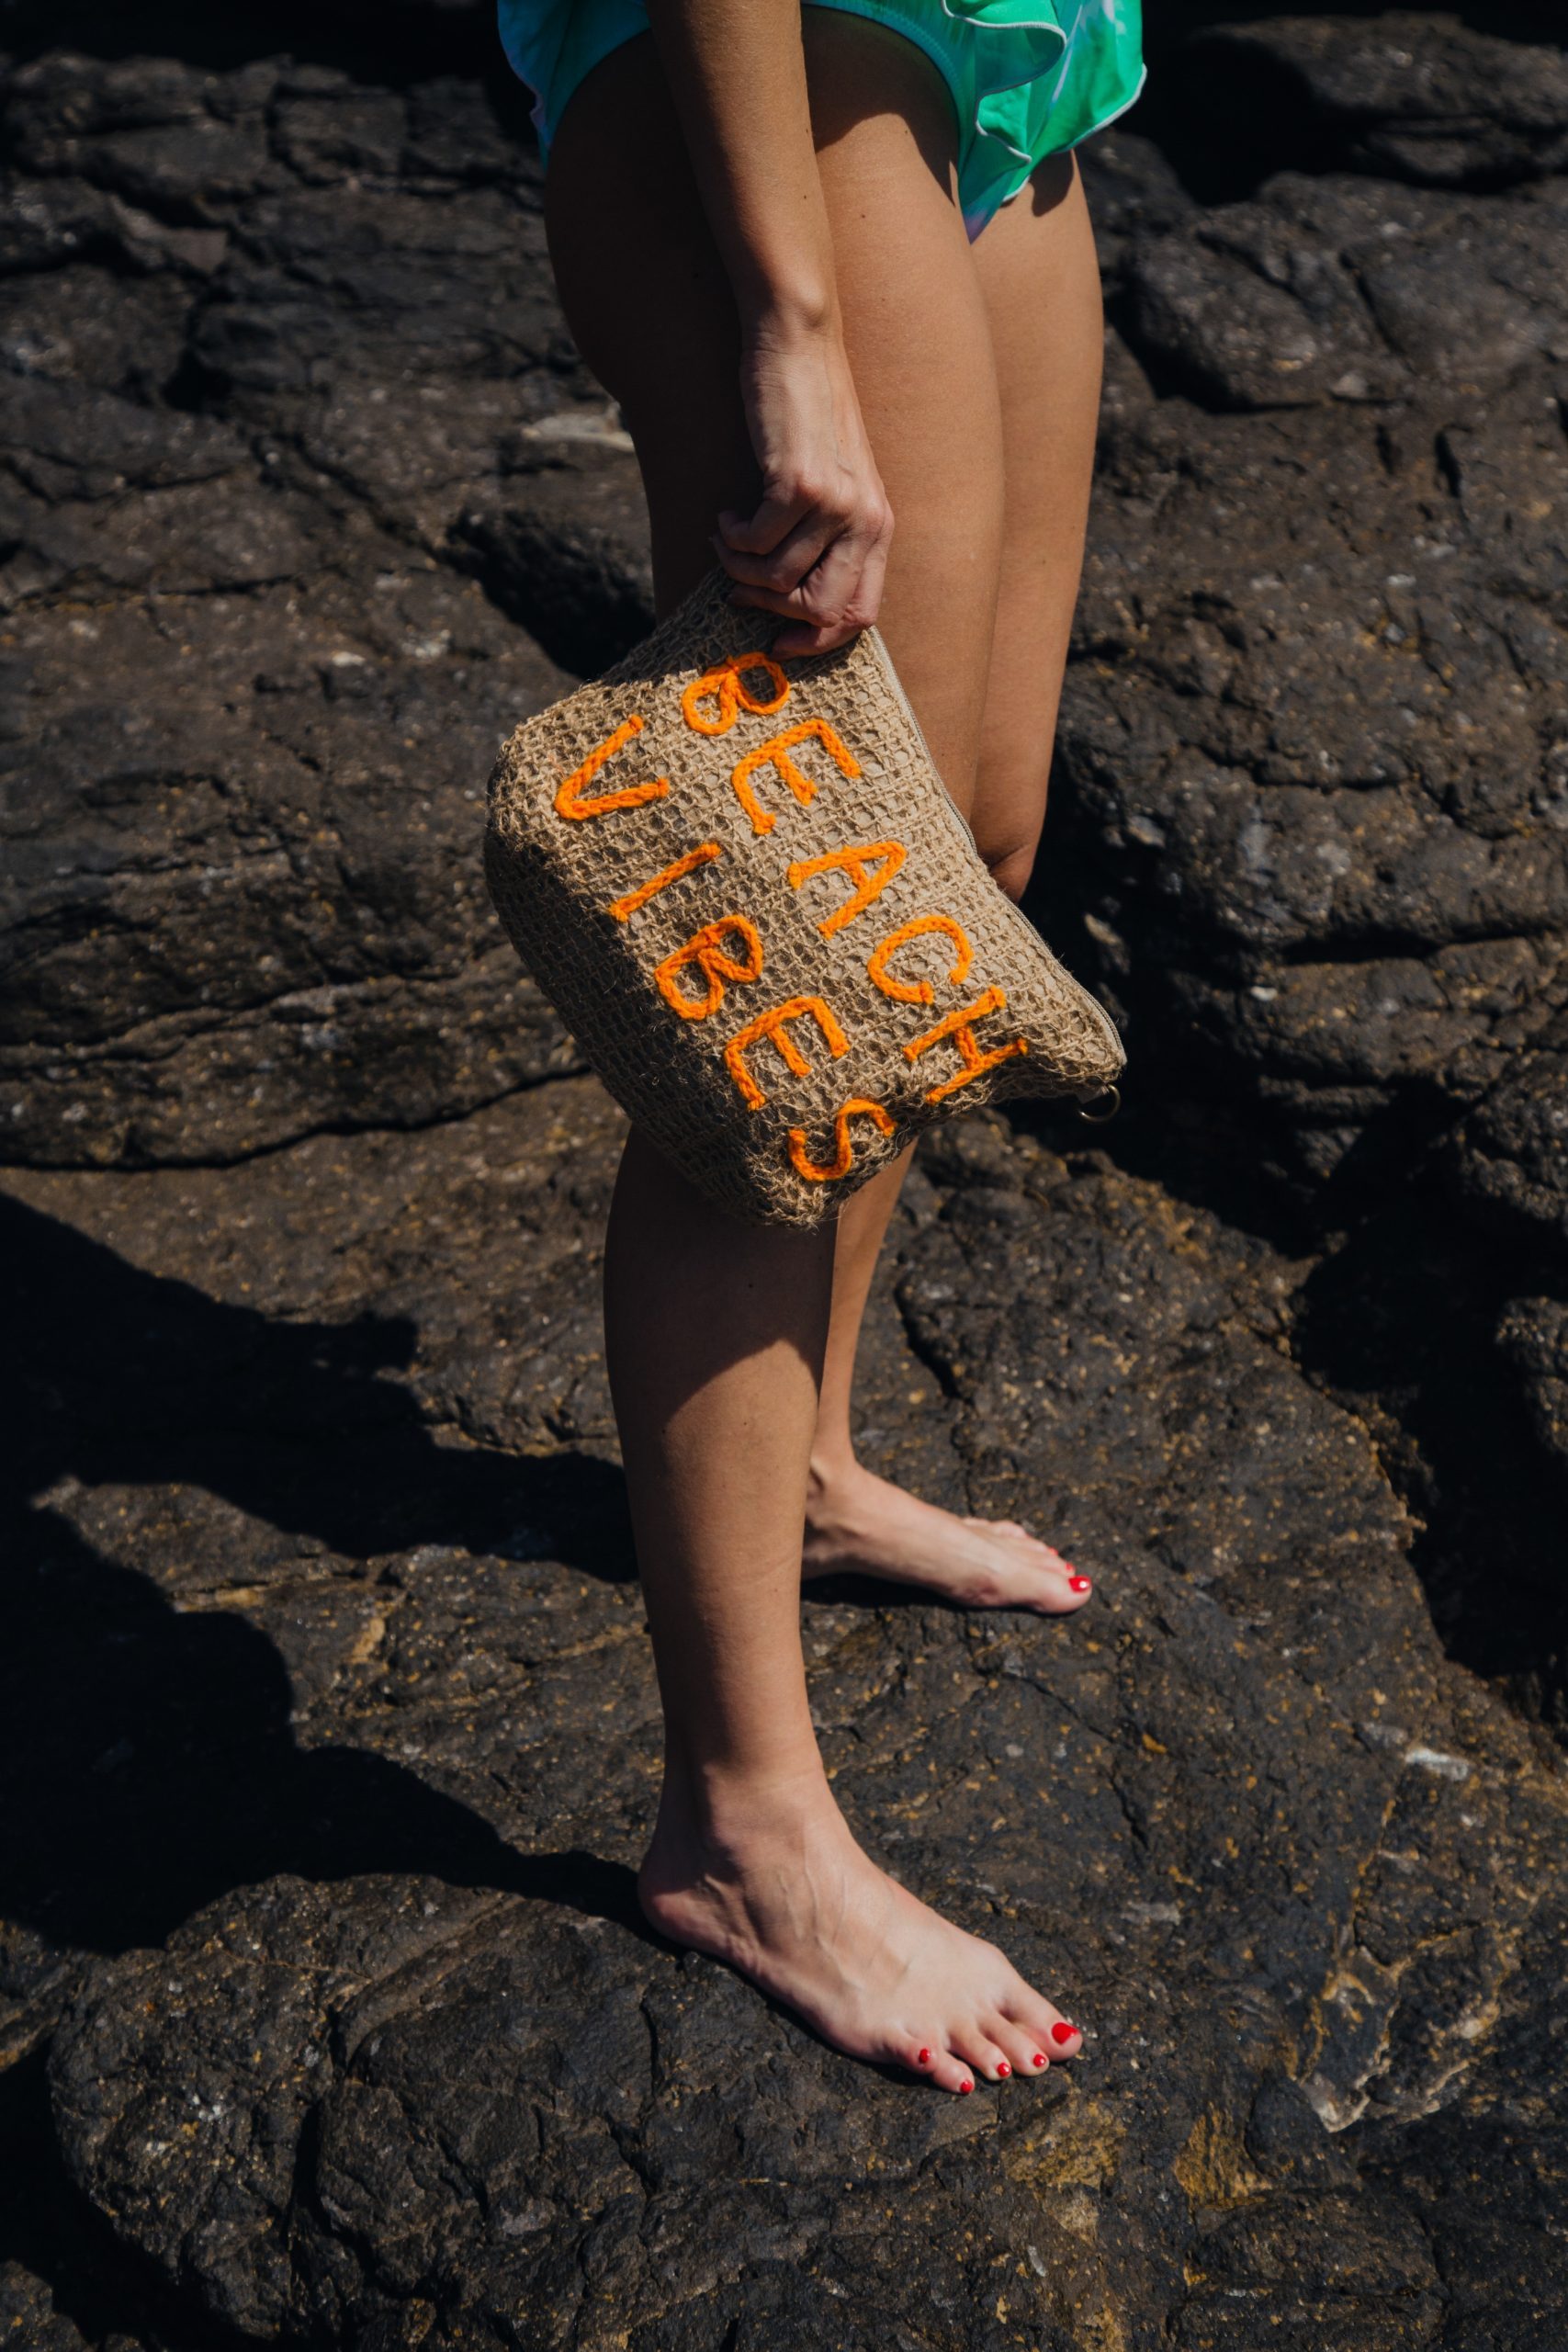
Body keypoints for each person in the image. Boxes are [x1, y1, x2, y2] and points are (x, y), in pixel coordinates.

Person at [497, 0, 1144, 2095]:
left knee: (967, 846)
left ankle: (804, 1473)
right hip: (786, 61)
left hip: (1016, 54)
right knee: (799, 940)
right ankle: (743, 1824)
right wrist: (789, 324)